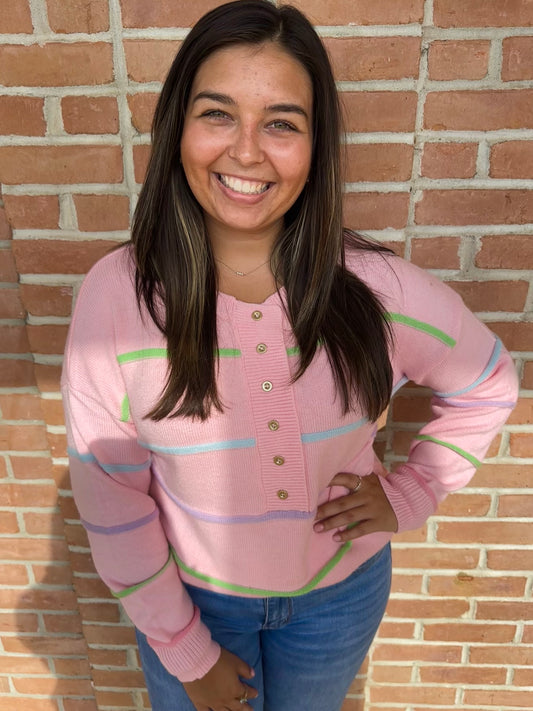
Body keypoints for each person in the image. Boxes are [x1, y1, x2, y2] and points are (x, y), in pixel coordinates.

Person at [61, 2, 518, 710]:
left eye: (280, 123)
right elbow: (111, 498)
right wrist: (185, 648)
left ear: (317, 144)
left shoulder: (381, 289)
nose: (246, 151)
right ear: (177, 127)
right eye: (217, 114)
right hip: (190, 603)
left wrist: (412, 492)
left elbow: (488, 380)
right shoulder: (116, 297)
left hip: (339, 603)